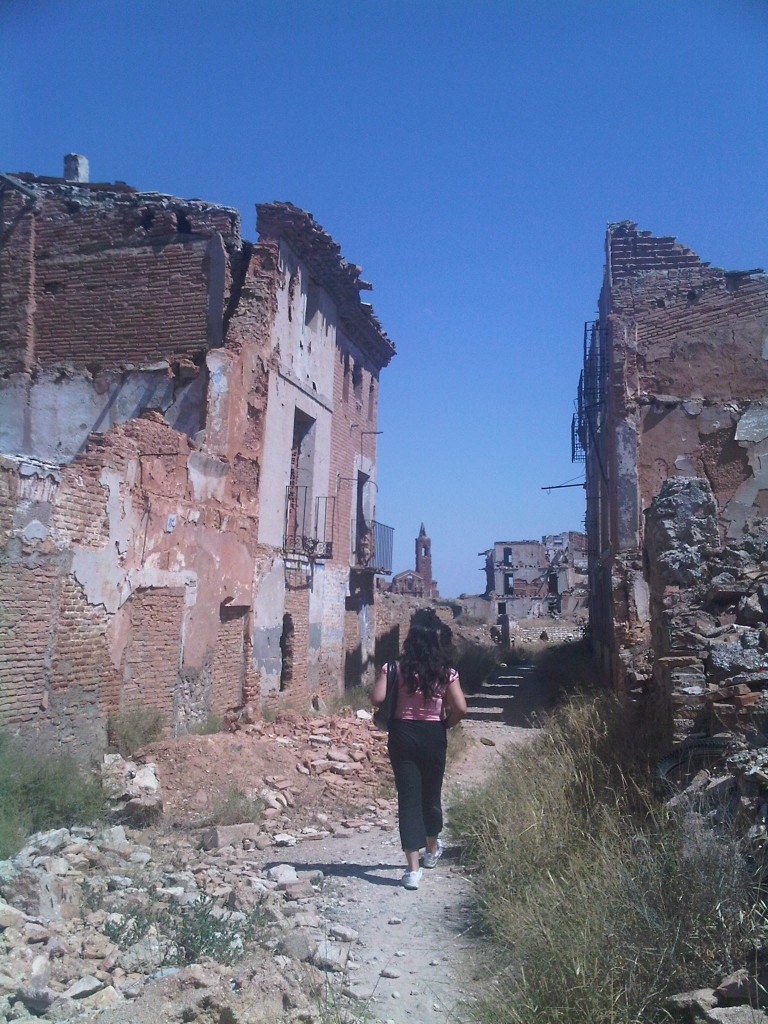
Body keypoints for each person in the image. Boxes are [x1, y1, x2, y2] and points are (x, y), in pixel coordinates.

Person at [371, 610, 467, 890]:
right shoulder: (446, 672)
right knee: (431, 794)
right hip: (432, 734)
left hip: (402, 734)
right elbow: (461, 708)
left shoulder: (395, 668)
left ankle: (412, 871)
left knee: (408, 798)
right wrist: (445, 724)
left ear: (409, 641)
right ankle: (432, 850)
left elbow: (377, 698)